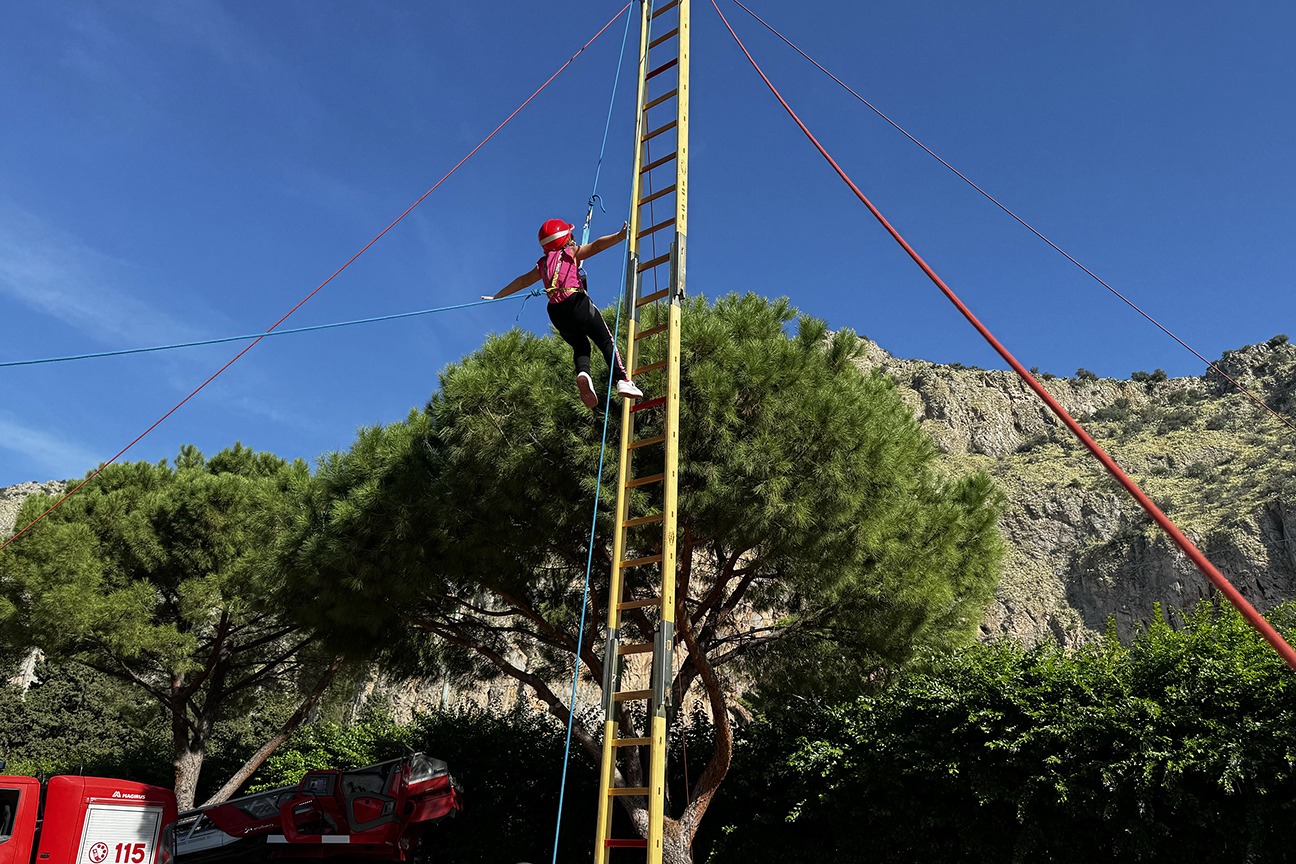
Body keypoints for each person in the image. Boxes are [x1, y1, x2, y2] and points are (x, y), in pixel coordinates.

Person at [486, 218, 643, 409]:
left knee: (580, 346)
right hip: (576, 302)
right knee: (604, 340)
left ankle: (583, 373)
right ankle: (622, 380)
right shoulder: (571, 253)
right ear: (567, 239)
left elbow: (523, 281)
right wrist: (618, 237)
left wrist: (498, 296)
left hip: (556, 313)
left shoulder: (542, 264)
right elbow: (596, 247)